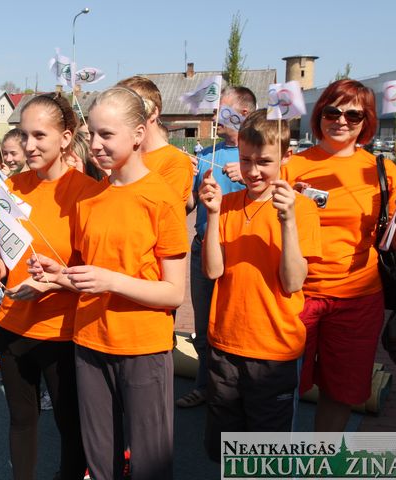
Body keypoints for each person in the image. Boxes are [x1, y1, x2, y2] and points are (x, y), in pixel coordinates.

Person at [29, 86, 188, 480]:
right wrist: (60, 275)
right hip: (89, 343)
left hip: (142, 348)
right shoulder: (90, 199)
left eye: (107, 135)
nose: (96, 145)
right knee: (101, 462)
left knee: (150, 464)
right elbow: (91, 277)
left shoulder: (162, 198)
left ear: (138, 134)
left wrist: (111, 281)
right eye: (92, 134)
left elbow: (173, 293)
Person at [284, 79, 396, 431]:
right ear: (320, 114)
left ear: (366, 120)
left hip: (357, 299)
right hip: (297, 295)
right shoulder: (292, 166)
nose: (341, 120)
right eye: (333, 112)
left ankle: (322, 458)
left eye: (353, 115)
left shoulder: (382, 171)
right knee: (283, 385)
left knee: (340, 391)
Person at [0, 93, 93, 480]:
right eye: (24, 135)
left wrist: (55, 283)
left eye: (40, 135)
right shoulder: (10, 188)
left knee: (70, 425)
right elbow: (5, 254)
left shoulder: (89, 193)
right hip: (13, 324)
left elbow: (96, 274)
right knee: (21, 420)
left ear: (66, 137)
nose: (29, 145)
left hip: (63, 332)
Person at [198, 110, 321, 461]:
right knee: (226, 449)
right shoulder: (228, 206)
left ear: (286, 157)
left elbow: (293, 281)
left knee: (266, 454)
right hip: (226, 344)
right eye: (245, 160)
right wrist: (212, 214)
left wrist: (288, 222)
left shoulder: (303, 209)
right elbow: (212, 271)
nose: (253, 171)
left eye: (264, 162)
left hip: (273, 350)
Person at [177, 86, 257, 408]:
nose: (214, 117)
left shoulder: (256, 157)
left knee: (238, 325)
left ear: (244, 114)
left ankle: (236, 392)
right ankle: (205, 387)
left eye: (221, 110)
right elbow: (189, 206)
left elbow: (278, 195)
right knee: (202, 326)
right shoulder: (208, 153)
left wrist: (248, 175)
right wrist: (187, 186)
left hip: (241, 252)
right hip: (202, 250)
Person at [117, 75, 195, 203]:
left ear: (153, 112)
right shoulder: (123, 156)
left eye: (131, 107)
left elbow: (157, 209)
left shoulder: (175, 162)